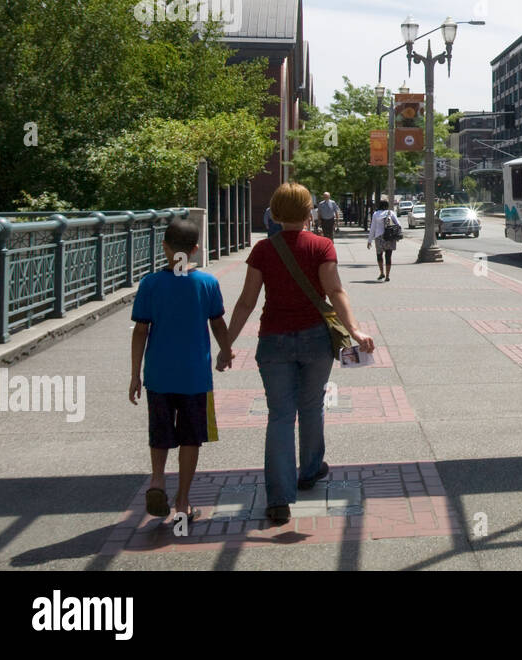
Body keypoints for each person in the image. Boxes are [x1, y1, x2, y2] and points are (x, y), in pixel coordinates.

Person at [225, 182, 375, 526]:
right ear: (309, 213)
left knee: (279, 415)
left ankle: (278, 500)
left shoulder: (263, 250)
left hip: (273, 340)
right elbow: (335, 291)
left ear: (275, 215)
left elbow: (247, 301)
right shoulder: (322, 245)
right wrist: (355, 330)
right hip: (315, 340)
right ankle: (308, 471)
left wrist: (227, 343)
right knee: (311, 405)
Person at [129, 218, 233, 523]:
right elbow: (217, 323)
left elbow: (140, 330)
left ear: (164, 247)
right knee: (191, 438)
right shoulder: (207, 284)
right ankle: (183, 501)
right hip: (195, 376)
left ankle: (157, 480)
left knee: (160, 433)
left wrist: (135, 374)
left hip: (158, 375)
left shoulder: (150, 283)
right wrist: (226, 351)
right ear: (196, 250)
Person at [368, 199, 401, 281]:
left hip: (379, 237)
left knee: (379, 255)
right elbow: (398, 224)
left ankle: (382, 273)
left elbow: (372, 228)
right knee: (388, 256)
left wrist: (369, 241)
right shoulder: (391, 213)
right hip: (389, 237)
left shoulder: (376, 214)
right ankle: (387, 276)